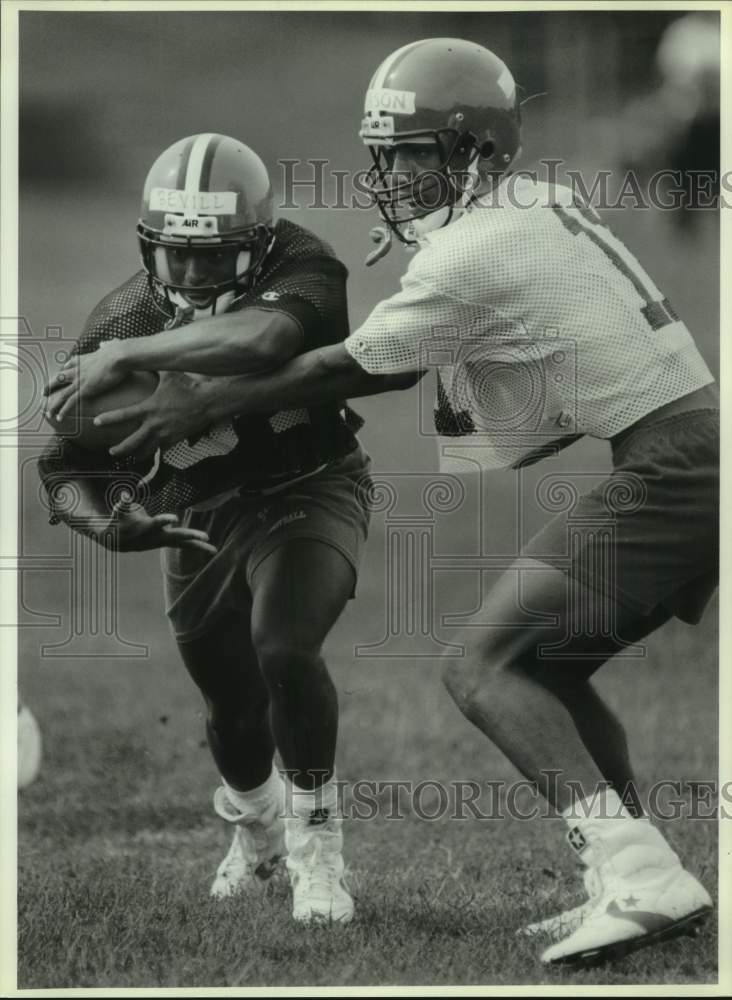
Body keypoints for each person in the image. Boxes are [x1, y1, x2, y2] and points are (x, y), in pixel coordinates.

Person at [54, 41, 719, 967]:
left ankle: (642, 874)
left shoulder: (472, 253)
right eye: (387, 154)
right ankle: (628, 875)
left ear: (475, 151)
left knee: (483, 665)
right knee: (552, 665)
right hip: (689, 454)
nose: (395, 176)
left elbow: (345, 367)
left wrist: (182, 392)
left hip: (677, 468)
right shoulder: (536, 198)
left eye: (415, 152)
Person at [41, 132, 379, 925]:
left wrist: (133, 352)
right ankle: (256, 829)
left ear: (258, 246)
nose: (191, 273)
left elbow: (266, 338)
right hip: (200, 512)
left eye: (214, 254)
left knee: (285, 645)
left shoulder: (302, 263)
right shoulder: (121, 316)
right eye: (176, 254)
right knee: (231, 707)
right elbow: (64, 468)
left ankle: (317, 850)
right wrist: (107, 526)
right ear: (148, 244)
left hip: (312, 485)